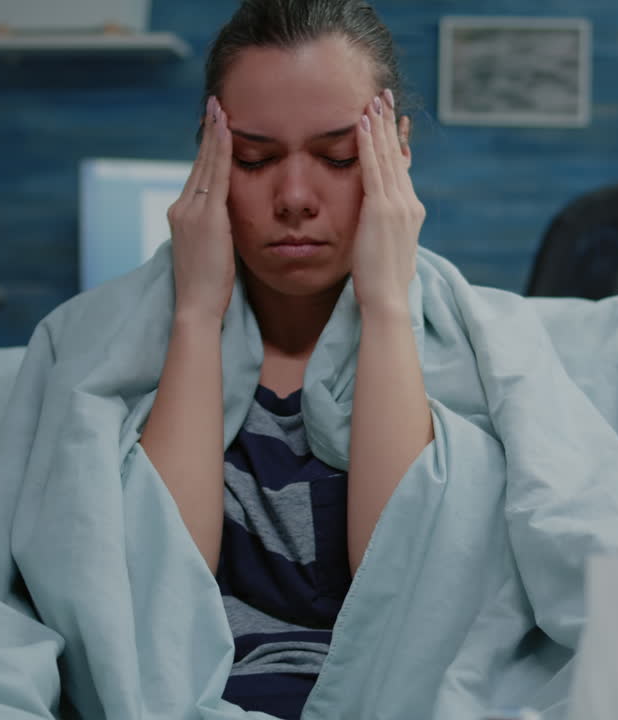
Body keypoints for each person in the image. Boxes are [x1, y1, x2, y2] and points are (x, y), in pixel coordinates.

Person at [136, 1, 430, 716]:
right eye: (255, 159)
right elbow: (153, 588)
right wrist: (197, 313)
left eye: (337, 157)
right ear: (209, 155)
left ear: (396, 151)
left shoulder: (468, 337)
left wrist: (387, 305)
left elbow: (408, 580)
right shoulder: (122, 333)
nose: (294, 198)